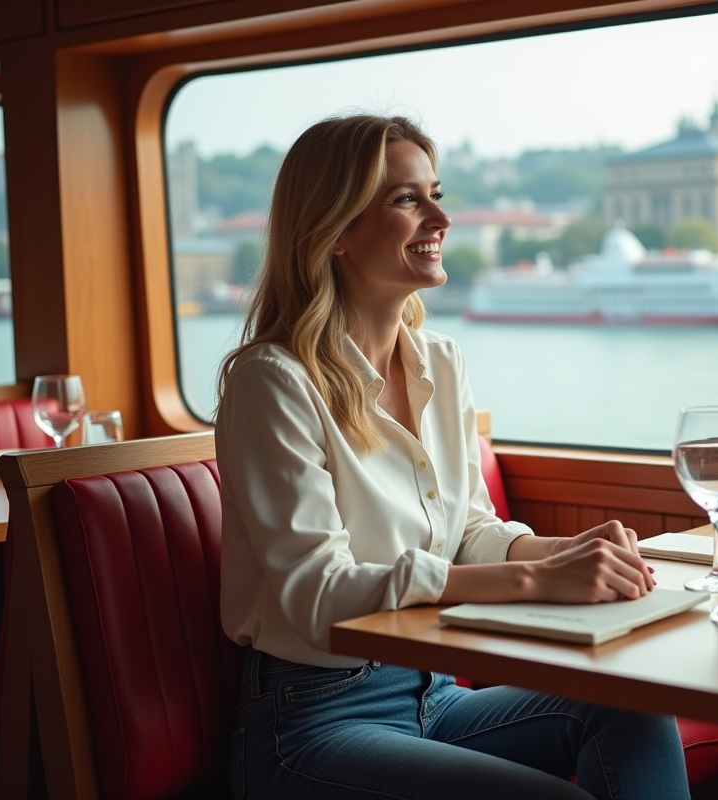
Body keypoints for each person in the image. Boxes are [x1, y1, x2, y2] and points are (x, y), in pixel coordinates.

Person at [215, 114, 691, 800]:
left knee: (634, 709)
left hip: (435, 692)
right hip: (311, 721)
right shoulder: (271, 380)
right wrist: (535, 584)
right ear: (336, 232)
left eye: (436, 193)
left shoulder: (442, 360)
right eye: (408, 199)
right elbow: (318, 596)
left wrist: (563, 552)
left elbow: (470, 532)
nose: (441, 216)